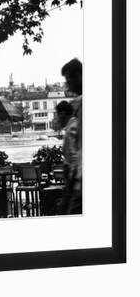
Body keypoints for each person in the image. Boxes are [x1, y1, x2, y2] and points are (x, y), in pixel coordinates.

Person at [61, 58, 83, 214]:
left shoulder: (82, 105)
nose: (68, 85)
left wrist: (75, 172)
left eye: (69, 80)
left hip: (80, 180)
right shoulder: (80, 104)